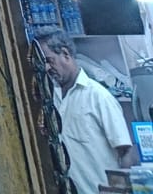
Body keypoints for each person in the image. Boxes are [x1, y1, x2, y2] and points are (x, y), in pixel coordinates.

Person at [36, 28, 137, 193]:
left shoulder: (99, 97)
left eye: (49, 60)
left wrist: (118, 190)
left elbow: (125, 151)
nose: (46, 68)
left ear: (65, 54)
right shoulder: (50, 98)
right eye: (43, 63)